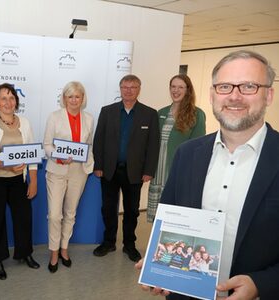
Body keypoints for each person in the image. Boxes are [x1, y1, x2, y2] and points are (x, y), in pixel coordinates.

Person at [139, 50, 278, 299]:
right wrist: (157, 264)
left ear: (269, 94)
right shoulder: (187, 154)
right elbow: (169, 219)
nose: (234, 96)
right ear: (213, 94)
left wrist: (262, 283)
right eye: (224, 86)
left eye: (248, 86)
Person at [93, 74, 160, 261]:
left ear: (139, 89)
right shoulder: (107, 111)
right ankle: (109, 242)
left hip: (135, 172)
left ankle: (129, 245)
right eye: (125, 87)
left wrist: (149, 170)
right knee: (108, 208)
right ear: (120, 89)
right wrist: (98, 165)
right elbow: (98, 141)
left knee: (131, 210)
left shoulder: (149, 113)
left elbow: (153, 145)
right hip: (109, 169)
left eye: (133, 87)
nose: (128, 90)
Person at [0, 83, 40, 280]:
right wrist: (7, 166)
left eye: (12, 97)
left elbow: (32, 153)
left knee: (24, 217)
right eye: (3, 98)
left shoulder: (25, 122)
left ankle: (24, 253)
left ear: (17, 101)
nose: (8, 102)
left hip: (18, 180)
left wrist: (33, 180)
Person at [43, 81, 94, 273]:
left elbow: (88, 145)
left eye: (77, 96)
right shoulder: (54, 117)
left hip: (78, 172)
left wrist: (89, 164)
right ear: (64, 98)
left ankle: (64, 249)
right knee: (55, 215)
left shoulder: (89, 119)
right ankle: (53, 251)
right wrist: (58, 156)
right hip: (57, 170)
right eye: (70, 96)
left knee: (70, 213)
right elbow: (47, 145)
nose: (74, 100)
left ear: (83, 99)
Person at [147, 74, 206, 222]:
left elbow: (198, 148)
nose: (176, 90)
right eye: (173, 87)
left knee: (175, 213)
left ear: (188, 90)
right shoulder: (161, 112)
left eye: (180, 87)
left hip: (179, 169)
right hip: (158, 170)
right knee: (157, 216)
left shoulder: (197, 114)